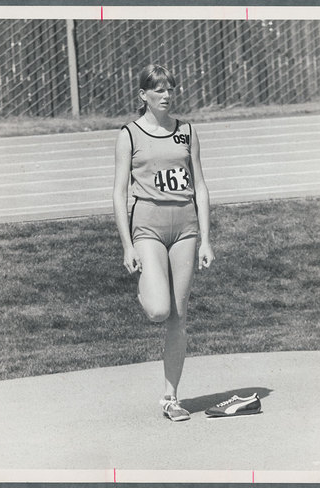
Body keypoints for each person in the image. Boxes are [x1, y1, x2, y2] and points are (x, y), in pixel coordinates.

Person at [113, 64, 215, 422]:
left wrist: (206, 239)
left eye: (170, 89)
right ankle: (145, 286)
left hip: (185, 226)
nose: (167, 96)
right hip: (149, 227)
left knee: (179, 315)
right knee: (159, 310)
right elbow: (119, 192)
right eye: (158, 90)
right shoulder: (129, 134)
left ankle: (171, 397)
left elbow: (200, 185)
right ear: (143, 95)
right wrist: (127, 245)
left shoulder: (186, 132)